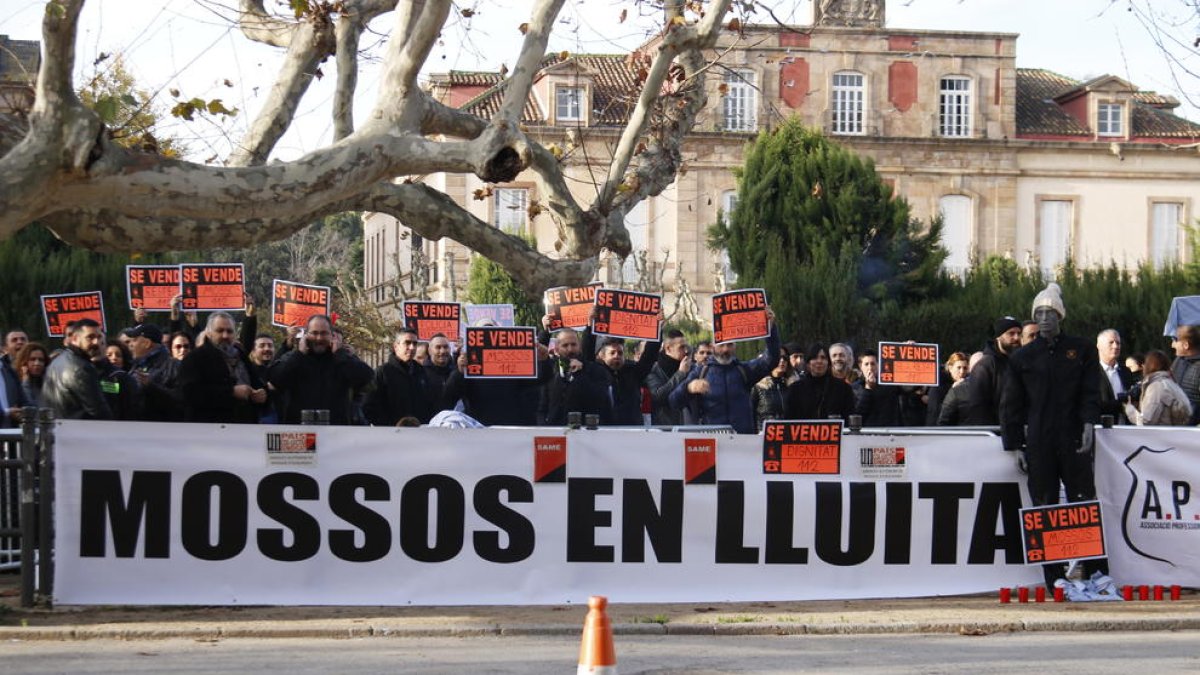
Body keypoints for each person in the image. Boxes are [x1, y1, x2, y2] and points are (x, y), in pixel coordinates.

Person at [1001, 282, 1107, 592]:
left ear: (1061, 316)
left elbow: (1091, 393)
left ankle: (1095, 571)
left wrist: (1089, 424)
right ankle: (1054, 576)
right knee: (1044, 505)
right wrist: (1014, 445)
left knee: (1083, 499)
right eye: (1040, 313)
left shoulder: (1082, 349)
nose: (1045, 319)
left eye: (1051, 313)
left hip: (1073, 435)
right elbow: (1011, 405)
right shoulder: (1023, 358)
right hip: (1039, 440)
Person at [669, 309, 781, 433]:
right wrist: (689, 388)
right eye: (721, 345)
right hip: (713, 442)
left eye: (730, 345)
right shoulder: (701, 372)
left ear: (735, 346)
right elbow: (674, 401)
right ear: (713, 347)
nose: (725, 349)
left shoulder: (744, 370)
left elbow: (771, 359)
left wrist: (770, 329)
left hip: (742, 440)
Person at [269, 315, 373, 425]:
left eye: (323, 333)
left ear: (332, 336)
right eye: (314, 333)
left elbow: (367, 378)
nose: (319, 338)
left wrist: (340, 355)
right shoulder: (295, 358)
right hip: (299, 431)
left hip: (335, 431)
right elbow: (275, 379)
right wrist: (298, 355)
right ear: (306, 335)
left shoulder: (342, 359)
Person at [179, 312, 268, 423]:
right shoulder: (195, 358)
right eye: (220, 331)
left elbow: (256, 384)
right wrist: (231, 392)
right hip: (210, 429)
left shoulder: (241, 355)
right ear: (209, 333)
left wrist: (261, 394)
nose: (225, 336)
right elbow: (189, 393)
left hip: (245, 427)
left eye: (229, 331)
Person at [363, 328, 437, 425]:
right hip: (391, 435)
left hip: (420, 433)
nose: (412, 347)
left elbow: (429, 403)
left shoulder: (422, 372)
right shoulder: (382, 373)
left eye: (415, 343)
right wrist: (389, 426)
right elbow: (369, 406)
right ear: (396, 346)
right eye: (407, 343)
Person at [41, 319, 112, 420]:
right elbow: (98, 410)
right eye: (90, 337)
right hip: (77, 431)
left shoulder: (56, 362)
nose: (96, 342)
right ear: (75, 339)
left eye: (99, 337)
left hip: (59, 428)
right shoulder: (82, 368)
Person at [538, 325, 607, 426]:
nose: (570, 349)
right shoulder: (550, 370)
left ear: (579, 346)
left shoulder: (595, 370)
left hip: (585, 432)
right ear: (556, 349)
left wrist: (580, 375)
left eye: (573, 345)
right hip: (555, 433)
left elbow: (599, 399)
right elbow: (542, 406)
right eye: (565, 345)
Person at [964, 316, 1023, 425]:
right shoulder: (985, 366)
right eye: (1011, 333)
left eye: (1019, 333)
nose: (1017, 337)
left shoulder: (1019, 362)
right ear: (998, 337)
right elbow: (978, 406)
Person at [784, 343, 855, 422]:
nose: (819, 361)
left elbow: (850, 418)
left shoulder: (843, 388)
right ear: (808, 363)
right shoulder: (795, 389)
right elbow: (789, 420)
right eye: (814, 358)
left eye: (823, 358)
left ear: (828, 363)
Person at [127, 323, 184, 422]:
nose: (130, 345)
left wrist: (151, 386)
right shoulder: (136, 366)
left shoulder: (174, 366)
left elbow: (181, 399)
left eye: (134, 340)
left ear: (147, 343)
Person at [1124, 350, 1192, 426]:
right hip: (1173, 432)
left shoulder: (1156, 386)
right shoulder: (1171, 382)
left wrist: (1129, 409)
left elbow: (1146, 421)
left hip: (1160, 435)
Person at [644, 329, 692, 426]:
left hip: (687, 426)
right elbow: (658, 396)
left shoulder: (689, 367)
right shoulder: (653, 369)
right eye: (681, 347)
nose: (686, 351)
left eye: (686, 347)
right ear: (668, 348)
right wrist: (681, 373)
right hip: (664, 428)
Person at [1096, 329, 1135, 424]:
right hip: (1102, 426)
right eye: (1111, 342)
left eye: (1118, 343)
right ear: (1099, 346)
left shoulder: (1125, 371)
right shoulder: (1092, 372)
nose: (1116, 346)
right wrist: (1120, 404)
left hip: (1126, 426)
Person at [751, 348, 790, 429]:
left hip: (786, 435)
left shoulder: (790, 385)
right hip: (763, 436)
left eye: (785, 357)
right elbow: (750, 414)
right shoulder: (759, 385)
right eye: (779, 357)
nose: (782, 360)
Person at [1169, 324, 1200, 425]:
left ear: (1186, 345)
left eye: (1175, 340)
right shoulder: (1178, 361)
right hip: (1174, 427)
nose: (1172, 345)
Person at [423, 333, 457, 414]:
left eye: (445, 347)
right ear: (430, 350)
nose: (442, 351)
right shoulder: (421, 373)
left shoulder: (457, 373)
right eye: (438, 347)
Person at [936, 352, 972, 425]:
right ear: (950, 368)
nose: (962, 372)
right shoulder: (939, 384)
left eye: (965, 368)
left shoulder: (968, 384)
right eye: (959, 368)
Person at [13, 342, 48, 409]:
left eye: (41, 360)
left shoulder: (47, 383)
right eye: (32, 359)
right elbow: (28, 407)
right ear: (24, 361)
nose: (37, 363)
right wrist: (26, 382)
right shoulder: (14, 383)